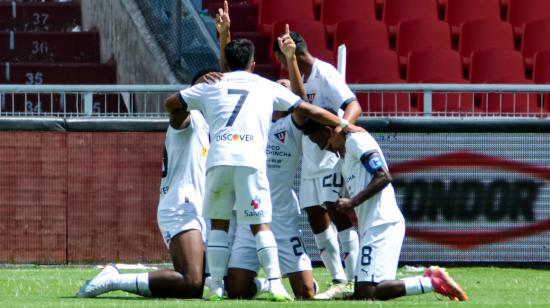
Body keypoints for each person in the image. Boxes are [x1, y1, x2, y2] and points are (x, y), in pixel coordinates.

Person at [165, 29, 357, 301]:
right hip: (247, 213)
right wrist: (224, 39)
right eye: (280, 84)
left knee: (305, 292)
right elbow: (230, 82)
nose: (282, 86)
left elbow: (301, 105)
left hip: (282, 218)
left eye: (286, 86)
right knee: (238, 290)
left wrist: (290, 60)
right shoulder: (255, 108)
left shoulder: (291, 125)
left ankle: (310, 279)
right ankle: (266, 284)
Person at [76, 70, 212, 299]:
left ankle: (268, 284)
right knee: (192, 281)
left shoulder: (210, 124)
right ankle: (114, 280)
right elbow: (174, 107)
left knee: (203, 284)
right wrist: (199, 87)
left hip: (197, 208)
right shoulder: (189, 118)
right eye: (206, 87)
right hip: (182, 206)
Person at [301, 116, 468, 301]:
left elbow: (383, 176)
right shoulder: (344, 158)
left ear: (328, 131)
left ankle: (432, 282)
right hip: (373, 227)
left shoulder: (357, 141)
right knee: (364, 291)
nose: (323, 147)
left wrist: (352, 202)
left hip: (382, 224)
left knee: (368, 293)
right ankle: (429, 280)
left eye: (320, 141)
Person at [273, 29, 362, 298]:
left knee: (337, 213)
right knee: (315, 216)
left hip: (329, 157)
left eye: (284, 59)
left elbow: (354, 105)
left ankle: (355, 279)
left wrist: (340, 131)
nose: (282, 64)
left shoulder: (326, 74)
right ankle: (338, 279)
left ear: (294, 54)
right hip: (309, 159)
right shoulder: (297, 77)